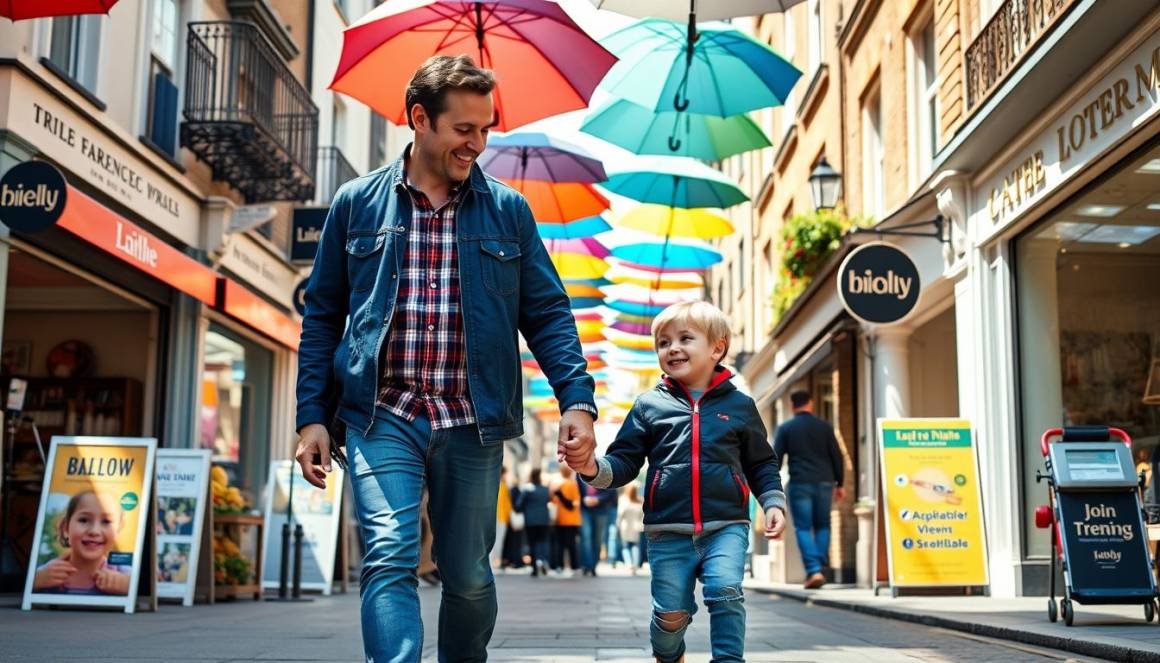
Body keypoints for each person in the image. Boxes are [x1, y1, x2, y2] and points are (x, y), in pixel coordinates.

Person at [293, 54, 597, 663]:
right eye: (464, 129)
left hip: (473, 417)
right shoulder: (356, 204)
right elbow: (323, 315)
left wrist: (577, 401)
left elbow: (548, 313)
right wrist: (312, 416)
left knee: (469, 575)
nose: (477, 144)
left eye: (485, 129)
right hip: (383, 412)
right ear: (419, 119)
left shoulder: (508, 211)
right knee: (388, 552)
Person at [571, 301, 787, 663]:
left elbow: (760, 461)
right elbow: (624, 460)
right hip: (667, 530)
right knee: (670, 615)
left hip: (726, 524)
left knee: (726, 591)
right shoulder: (648, 406)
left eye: (685, 338)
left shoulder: (740, 405)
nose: (672, 348)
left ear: (717, 347)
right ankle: (670, 655)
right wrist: (592, 468)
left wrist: (773, 501)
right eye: (663, 342)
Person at [772, 390, 846, 590]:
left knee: (803, 527)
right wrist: (840, 483)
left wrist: (771, 485)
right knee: (823, 525)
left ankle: (814, 569)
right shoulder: (825, 427)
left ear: (792, 405)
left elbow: (776, 459)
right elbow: (837, 456)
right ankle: (819, 564)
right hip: (824, 482)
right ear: (811, 403)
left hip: (800, 483)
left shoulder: (786, 428)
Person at [33, 491, 131, 595]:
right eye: (84, 520)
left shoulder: (128, 576)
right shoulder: (43, 573)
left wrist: (129, 587)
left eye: (106, 522)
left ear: (118, 532)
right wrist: (35, 582)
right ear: (66, 528)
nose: (94, 531)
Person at [515, 469, 552, 577]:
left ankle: (535, 567)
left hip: (531, 520)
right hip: (544, 520)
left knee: (532, 543)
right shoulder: (545, 490)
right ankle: (543, 561)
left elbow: (518, 506)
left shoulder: (527, 490)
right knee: (543, 542)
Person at [578, 479, 617, 576]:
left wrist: (598, 499)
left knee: (597, 539)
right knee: (585, 537)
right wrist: (583, 499)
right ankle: (587, 565)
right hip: (584, 509)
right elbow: (576, 488)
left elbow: (612, 489)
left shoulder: (604, 466)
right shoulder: (578, 472)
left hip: (601, 509)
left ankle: (593, 566)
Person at [551, 465, 581, 575]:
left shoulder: (557, 485)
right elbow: (575, 504)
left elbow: (554, 502)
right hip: (572, 520)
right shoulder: (572, 484)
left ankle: (561, 566)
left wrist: (560, 496)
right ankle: (574, 567)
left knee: (561, 545)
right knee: (571, 544)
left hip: (561, 520)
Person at [617, 484, 645, 575]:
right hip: (637, 527)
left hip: (625, 527)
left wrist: (617, 524)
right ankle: (635, 565)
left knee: (625, 547)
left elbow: (620, 514)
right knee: (635, 546)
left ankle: (629, 564)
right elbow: (642, 515)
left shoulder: (623, 500)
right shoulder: (639, 501)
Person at [493, 466, 512, 570]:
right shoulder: (503, 486)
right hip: (501, 517)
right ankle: (496, 564)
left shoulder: (490, 484)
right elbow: (507, 505)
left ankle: (492, 564)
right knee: (499, 541)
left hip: (490, 517)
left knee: (489, 541)